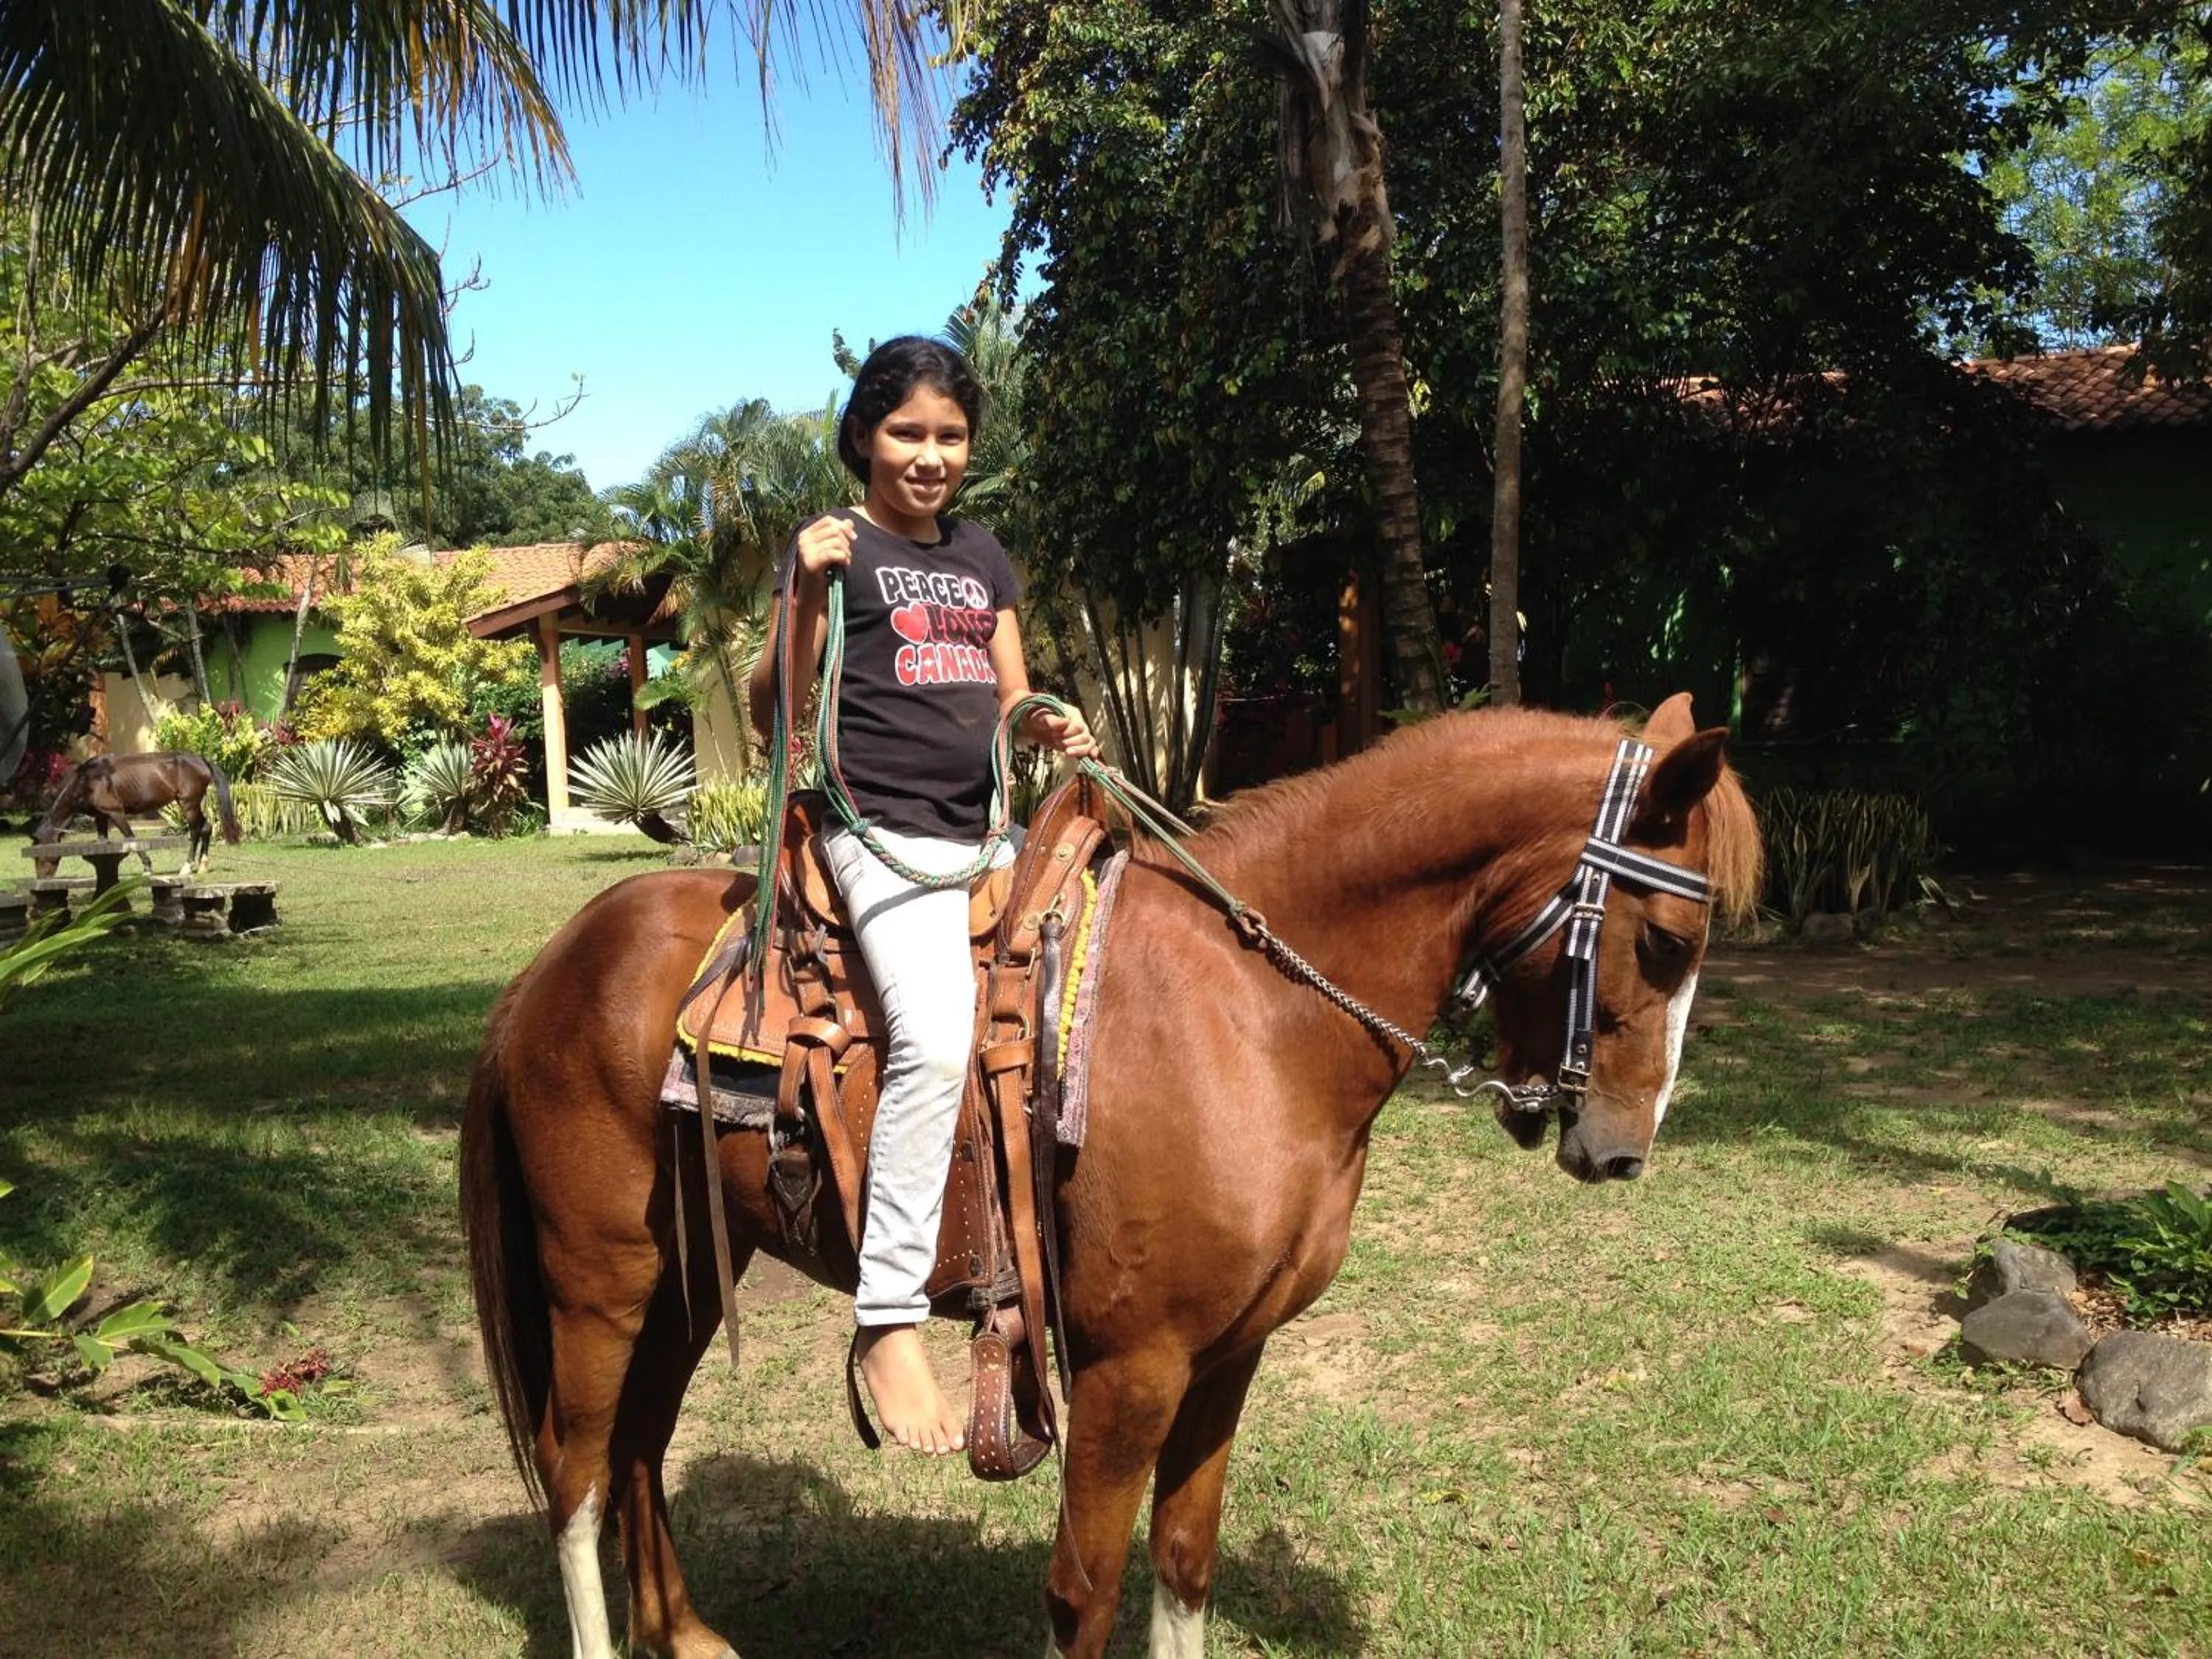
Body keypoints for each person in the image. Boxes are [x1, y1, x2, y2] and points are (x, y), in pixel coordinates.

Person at [748, 335, 1098, 1453]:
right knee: (940, 1035)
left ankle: (1040, 1263)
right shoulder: (833, 548)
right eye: (909, 432)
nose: (931, 455)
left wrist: (1046, 722)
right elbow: (775, 711)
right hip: (874, 833)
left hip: (987, 835)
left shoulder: (984, 556)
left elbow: (1013, 696)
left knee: (1093, 1001)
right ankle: (890, 1313)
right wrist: (803, 588)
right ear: (863, 436)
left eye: (951, 436)